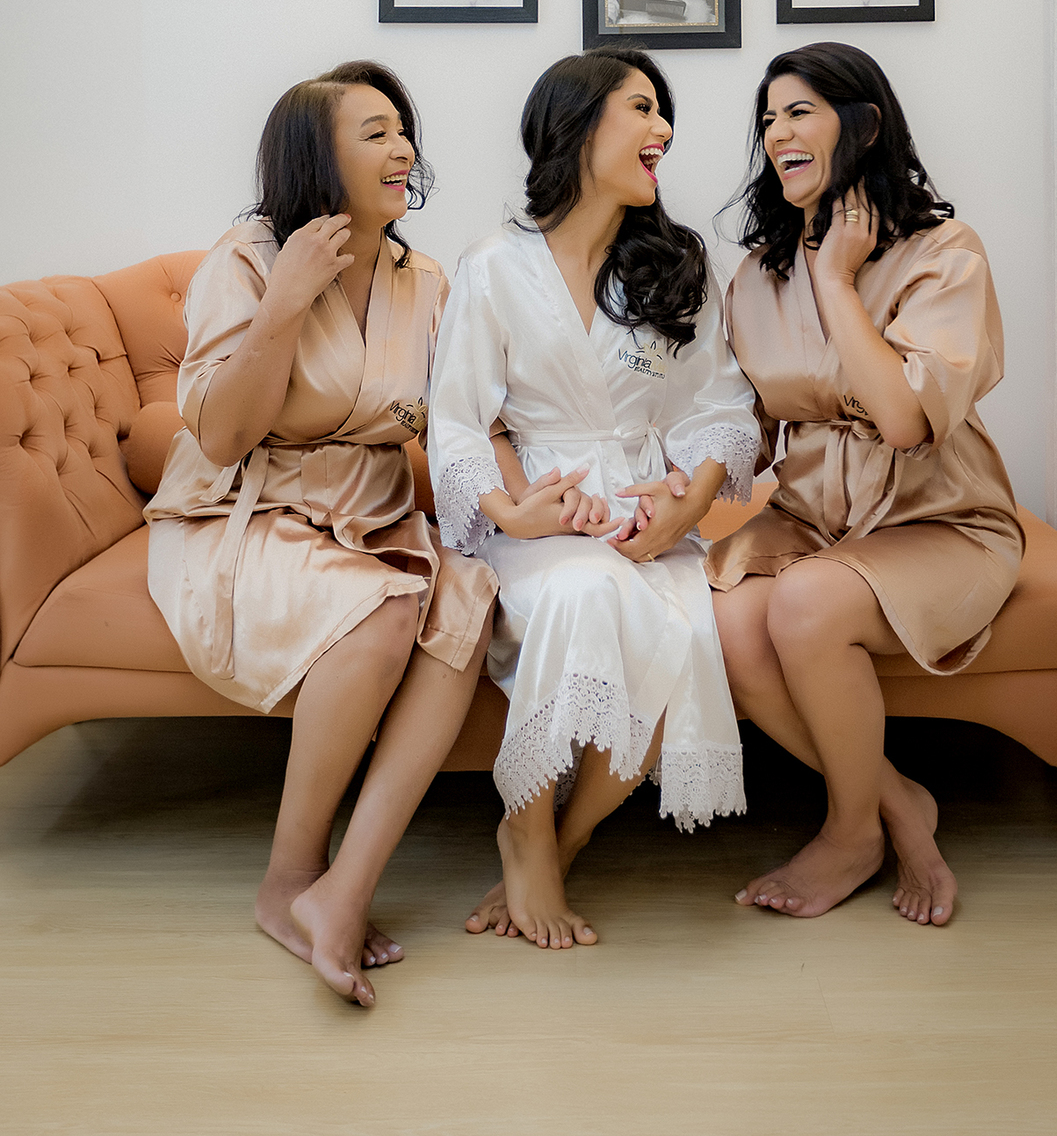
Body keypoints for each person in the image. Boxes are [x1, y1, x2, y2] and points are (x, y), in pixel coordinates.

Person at [145, 61, 496, 1006]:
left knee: (467, 599)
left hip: (371, 517)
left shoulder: (425, 279)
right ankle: (289, 876)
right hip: (248, 512)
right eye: (375, 132)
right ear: (315, 156)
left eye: (403, 129)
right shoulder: (247, 260)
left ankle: (344, 888)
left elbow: (458, 424)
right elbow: (223, 435)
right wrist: (286, 300)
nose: (402, 148)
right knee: (383, 613)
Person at [428, 49, 759, 950]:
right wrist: (510, 511)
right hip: (539, 518)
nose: (664, 130)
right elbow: (457, 420)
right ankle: (528, 822)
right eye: (642, 108)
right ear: (577, 128)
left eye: (663, 112)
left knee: (680, 640)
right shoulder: (493, 266)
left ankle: (553, 843)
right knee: (583, 590)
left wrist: (687, 506)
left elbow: (718, 407)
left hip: (647, 520)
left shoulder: (676, 265)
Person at [707, 43, 1024, 929]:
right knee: (724, 618)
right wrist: (658, 481)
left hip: (941, 520)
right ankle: (899, 803)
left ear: (866, 123)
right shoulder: (756, 275)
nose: (777, 131)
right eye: (769, 117)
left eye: (799, 111)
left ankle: (851, 833)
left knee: (806, 603)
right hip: (812, 520)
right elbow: (741, 432)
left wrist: (838, 281)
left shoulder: (945, 253)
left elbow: (903, 419)